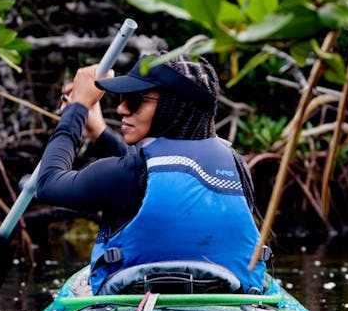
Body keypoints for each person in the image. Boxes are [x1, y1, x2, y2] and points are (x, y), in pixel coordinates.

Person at [35, 52, 268, 294]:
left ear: (174, 107)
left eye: (135, 100)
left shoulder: (129, 175)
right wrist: (100, 133)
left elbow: (48, 182)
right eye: (124, 98)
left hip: (133, 309)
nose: (121, 109)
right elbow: (146, 177)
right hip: (231, 301)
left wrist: (77, 109)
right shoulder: (236, 165)